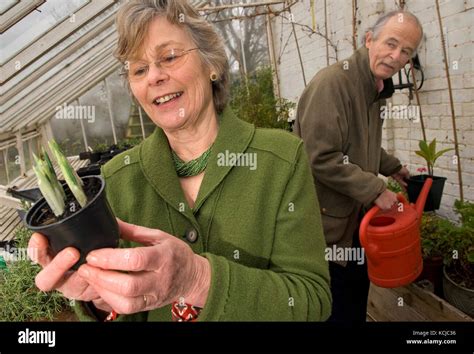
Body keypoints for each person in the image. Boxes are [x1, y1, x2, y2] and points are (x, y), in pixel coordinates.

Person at [27, 0, 331, 322]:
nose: (154, 77)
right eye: (139, 70)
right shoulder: (115, 181)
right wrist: (102, 299)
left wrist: (198, 279)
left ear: (211, 64)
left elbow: (310, 300)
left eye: (169, 57)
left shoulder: (280, 159)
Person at [294, 10, 423, 324]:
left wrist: (394, 169)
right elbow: (320, 157)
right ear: (369, 39)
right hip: (326, 230)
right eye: (390, 44)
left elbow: (360, 146)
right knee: (334, 308)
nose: (396, 56)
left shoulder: (374, 88)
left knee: (354, 302)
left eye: (406, 51)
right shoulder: (333, 84)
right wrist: (376, 189)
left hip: (354, 223)